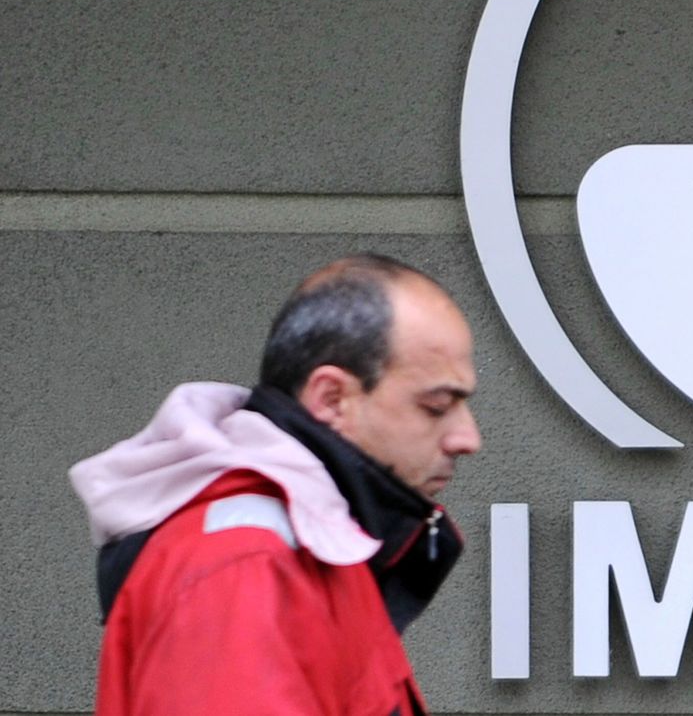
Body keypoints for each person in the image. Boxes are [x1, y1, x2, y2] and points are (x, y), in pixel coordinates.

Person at [69, 254, 482, 715]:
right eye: (436, 406)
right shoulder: (246, 566)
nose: (468, 438)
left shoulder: (307, 549)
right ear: (332, 398)